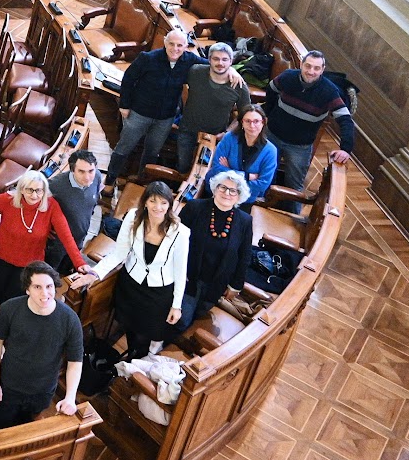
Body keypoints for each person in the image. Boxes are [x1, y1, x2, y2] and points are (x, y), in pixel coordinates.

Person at [104, 29, 244, 194]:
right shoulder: (147, 58)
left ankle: (141, 181)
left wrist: (232, 70)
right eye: (171, 44)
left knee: (152, 151)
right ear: (165, 42)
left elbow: (214, 64)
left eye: (180, 45)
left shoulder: (189, 60)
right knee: (124, 148)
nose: (175, 49)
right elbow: (128, 79)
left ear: (186, 46)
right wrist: (124, 105)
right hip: (140, 112)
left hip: (165, 117)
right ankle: (110, 180)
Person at [69, 180, 190, 359]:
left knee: (147, 334)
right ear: (145, 202)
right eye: (153, 201)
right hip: (132, 283)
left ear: (169, 205)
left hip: (159, 291)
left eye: (164, 203)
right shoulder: (134, 217)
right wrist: (94, 274)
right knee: (129, 327)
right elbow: (119, 254)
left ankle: (139, 360)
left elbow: (180, 271)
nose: (158, 207)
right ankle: (131, 357)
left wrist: (176, 305)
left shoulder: (180, 232)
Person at [0, 261, 83, 430]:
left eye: (49, 286)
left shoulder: (70, 320)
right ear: (27, 289)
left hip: (42, 392)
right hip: (8, 387)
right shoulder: (9, 309)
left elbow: (75, 361)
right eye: (37, 287)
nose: (45, 294)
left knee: (25, 432)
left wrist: (70, 396)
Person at [264, 50, 355, 213]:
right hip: (273, 136)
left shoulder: (329, 91)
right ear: (301, 64)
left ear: (322, 69)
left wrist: (345, 148)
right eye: (308, 66)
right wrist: (269, 114)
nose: (311, 71)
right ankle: (260, 208)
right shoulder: (287, 77)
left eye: (316, 68)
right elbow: (271, 90)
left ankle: (292, 219)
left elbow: (345, 120)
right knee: (264, 174)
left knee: (295, 185)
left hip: (300, 146)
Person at [0, 170, 92, 303]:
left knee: (16, 298)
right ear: (21, 189)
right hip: (1, 257)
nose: (34, 195)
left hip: (29, 265)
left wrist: (79, 263)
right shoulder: (8, 200)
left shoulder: (51, 206)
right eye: (30, 190)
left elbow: (66, 237)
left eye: (39, 190)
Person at [175, 171, 254, 329]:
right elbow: (175, 241)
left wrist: (235, 285)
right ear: (215, 188)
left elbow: (244, 256)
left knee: (199, 315)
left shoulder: (245, 221)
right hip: (188, 278)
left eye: (233, 191)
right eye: (223, 187)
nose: (227, 193)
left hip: (216, 284)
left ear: (239, 196)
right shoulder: (194, 207)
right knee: (181, 320)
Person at [174, 42, 252, 173]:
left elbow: (245, 115)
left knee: (206, 172)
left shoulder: (239, 86)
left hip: (215, 136)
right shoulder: (195, 71)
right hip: (187, 130)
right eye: (216, 59)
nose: (220, 63)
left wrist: (228, 132)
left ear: (231, 61)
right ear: (209, 60)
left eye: (225, 59)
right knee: (182, 165)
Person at [46, 150, 102, 273]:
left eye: (91, 171)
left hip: (80, 238)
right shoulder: (55, 185)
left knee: (67, 269)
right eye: (81, 171)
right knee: (50, 272)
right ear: (72, 170)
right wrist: (44, 226)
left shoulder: (97, 176)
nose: (87, 177)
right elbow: (34, 202)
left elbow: (93, 202)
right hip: (57, 243)